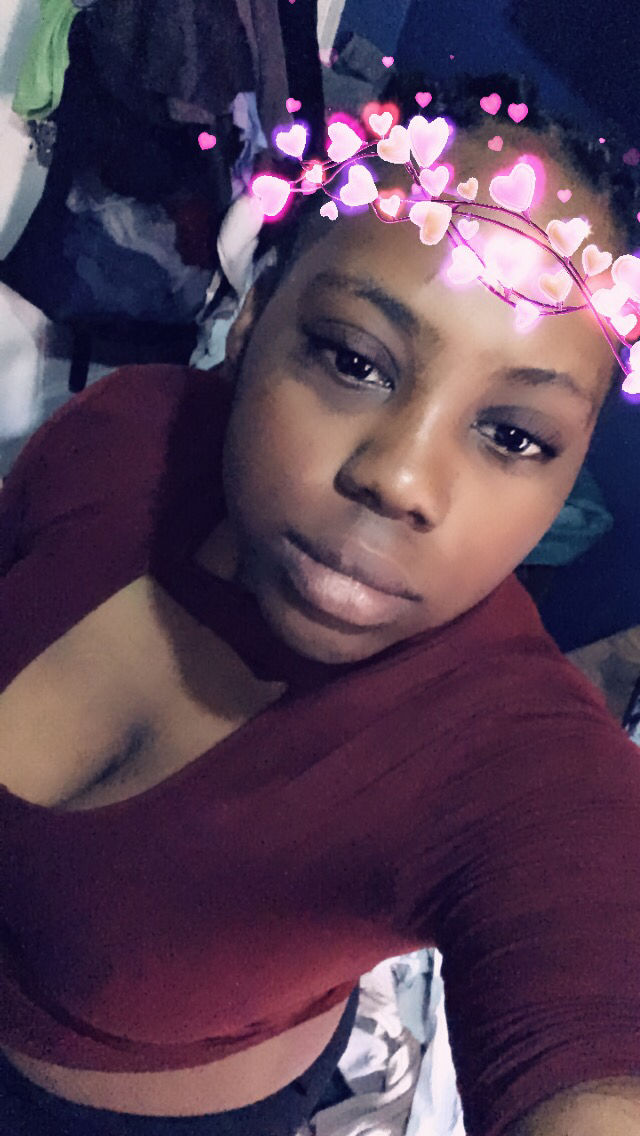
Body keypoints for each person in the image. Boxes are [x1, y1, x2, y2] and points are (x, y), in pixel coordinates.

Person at [1, 71, 640, 1136]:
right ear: (253, 321)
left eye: (513, 434)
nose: (400, 477)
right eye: (354, 359)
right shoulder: (125, 433)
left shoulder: (512, 754)